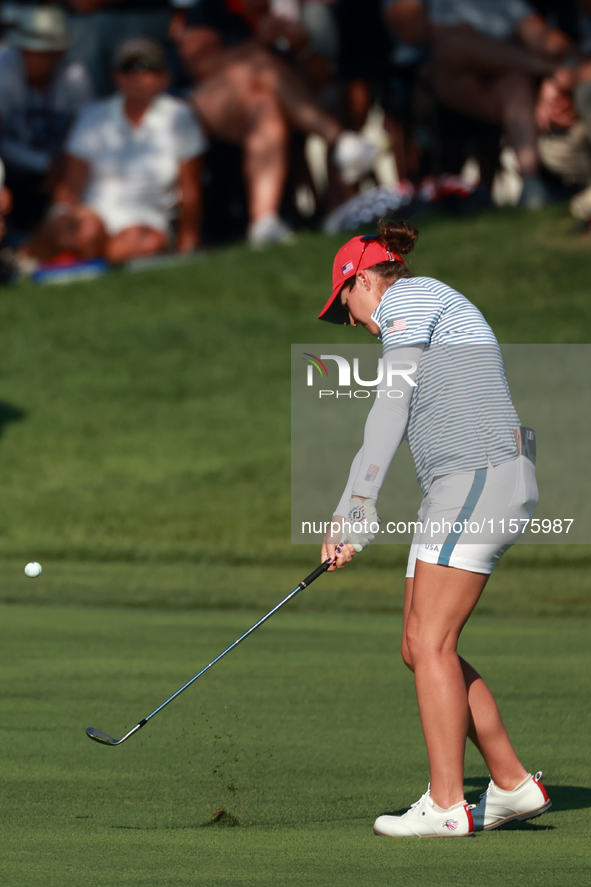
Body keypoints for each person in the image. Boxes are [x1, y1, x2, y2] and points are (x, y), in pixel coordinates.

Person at [317, 215, 551, 837]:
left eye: (347, 308)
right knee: (417, 645)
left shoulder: (411, 299)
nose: (356, 325)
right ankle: (511, 784)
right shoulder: (421, 306)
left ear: (363, 281)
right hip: (460, 485)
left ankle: (448, 806)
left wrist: (356, 506)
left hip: (479, 477)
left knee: (431, 644)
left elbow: (389, 405)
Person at [179, 0, 379, 246]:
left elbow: (321, 79)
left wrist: (302, 46)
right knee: (261, 64)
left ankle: (263, 220)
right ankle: (339, 139)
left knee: (265, 103)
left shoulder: (294, 11)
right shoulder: (211, 9)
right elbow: (199, 67)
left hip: (270, 108)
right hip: (212, 106)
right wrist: (259, 42)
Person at [22, 38, 207, 265]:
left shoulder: (180, 117)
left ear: (164, 78)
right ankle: (80, 253)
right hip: (93, 211)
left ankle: (75, 256)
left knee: (143, 242)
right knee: (85, 231)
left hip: (147, 217)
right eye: (128, 69)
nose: (136, 76)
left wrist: (188, 240)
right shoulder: (92, 116)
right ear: (116, 76)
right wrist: (61, 218)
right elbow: (72, 184)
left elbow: (189, 186)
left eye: (146, 69)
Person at [0, 5, 94, 236]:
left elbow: (89, 133)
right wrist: (43, 163)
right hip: (12, 166)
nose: (44, 59)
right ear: (21, 48)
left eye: (51, 52)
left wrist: (62, 166)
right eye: (36, 51)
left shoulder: (75, 76)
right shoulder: (3, 71)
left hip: (62, 167)